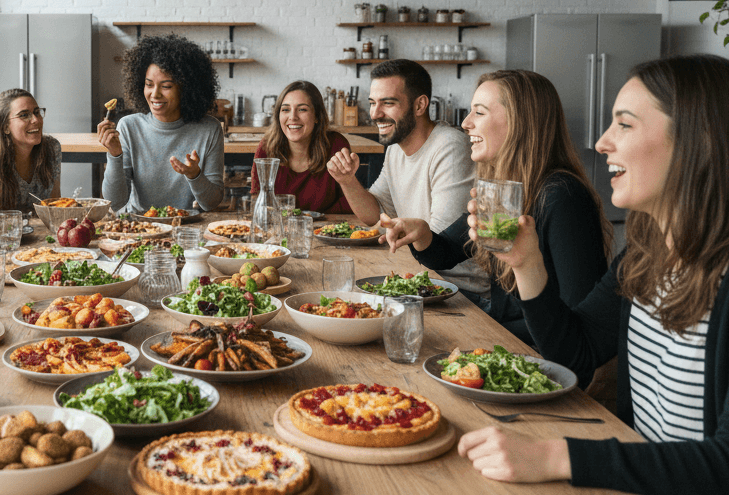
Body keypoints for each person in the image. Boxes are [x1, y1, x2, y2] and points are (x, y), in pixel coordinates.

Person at [456, 55, 729, 495]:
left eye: (624, 125)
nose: (602, 142)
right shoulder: (647, 253)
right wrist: (528, 265)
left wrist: (557, 456)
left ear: (698, 140)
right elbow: (575, 355)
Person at [380, 70, 610, 347]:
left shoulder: (562, 196)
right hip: (502, 330)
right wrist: (422, 233)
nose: (465, 123)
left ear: (519, 123)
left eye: (479, 112)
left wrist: (485, 337)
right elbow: (447, 252)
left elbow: (579, 325)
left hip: (534, 349)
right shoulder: (502, 188)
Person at [327, 59, 488, 300]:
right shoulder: (396, 148)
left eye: (388, 103)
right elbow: (375, 215)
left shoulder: (450, 147)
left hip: (460, 293)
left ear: (420, 105)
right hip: (420, 279)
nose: (375, 113)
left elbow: (438, 243)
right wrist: (347, 180)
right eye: (372, 103)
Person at [98, 34, 225, 213]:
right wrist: (114, 155)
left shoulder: (209, 129)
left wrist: (194, 175)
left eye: (166, 86)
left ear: (186, 88)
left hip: (187, 229)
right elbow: (115, 203)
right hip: (140, 228)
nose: (155, 94)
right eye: (149, 85)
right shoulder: (128, 126)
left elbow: (211, 203)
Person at [249, 80, 351, 213]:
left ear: (317, 116)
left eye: (302, 109)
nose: (293, 117)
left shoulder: (336, 145)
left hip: (327, 231)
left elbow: (349, 202)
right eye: (286, 109)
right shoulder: (266, 148)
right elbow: (257, 202)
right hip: (279, 230)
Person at [0, 88, 62, 219]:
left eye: (37, 112)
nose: (35, 120)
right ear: (5, 127)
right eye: (24, 115)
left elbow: (55, 200)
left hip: (37, 233)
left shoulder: (52, 148)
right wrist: (15, 217)